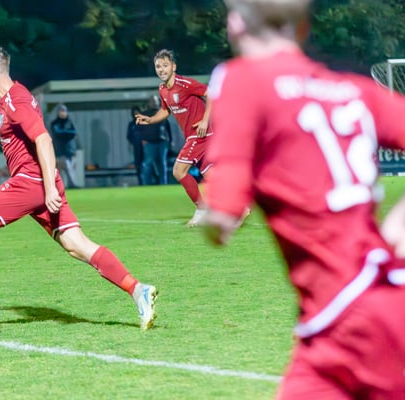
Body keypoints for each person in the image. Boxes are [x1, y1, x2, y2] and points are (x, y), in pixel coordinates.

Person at [195, 0, 405, 398]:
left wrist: (211, 216)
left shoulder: (241, 80)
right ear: (304, 28)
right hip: (348, 315)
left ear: (235, 24)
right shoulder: (352, 90)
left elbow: (222, 217)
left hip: (349, 314)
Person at [0, 46, 157, 331]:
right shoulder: (6, 101)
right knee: (77, 245)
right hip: (41, 183)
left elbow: (44, 140)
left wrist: (48, 189)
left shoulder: (17, 99)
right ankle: (138, 290)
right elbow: (7, 123)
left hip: (31, 181)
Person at [135, 49, 212, 225]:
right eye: (158, 66)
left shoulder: (185, 84)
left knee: (178, 171)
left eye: (165, 65)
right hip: (192, 136)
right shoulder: (163, 90)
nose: (161, 69)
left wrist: (205, 121)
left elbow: (211, 94)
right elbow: (165, 110)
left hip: (200, 134)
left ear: (173, 67)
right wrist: (150, 119)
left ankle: (202, 209)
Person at [140, 95, 172, 185]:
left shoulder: (163, 113)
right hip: (149, 143)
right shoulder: (145, 114)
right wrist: (143, 140)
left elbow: (167, 128)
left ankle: (164, 184)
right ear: (149, 103)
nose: (154, 103)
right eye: (152, 101)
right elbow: (140, 128)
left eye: (156, 101)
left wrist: (169, 140)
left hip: (162, 143)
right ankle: (146, 184)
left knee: (162, 164)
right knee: (148, 164)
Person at [50, 103, 80, 188]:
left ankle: (63, 186)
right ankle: (72, 185)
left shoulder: (70, 122)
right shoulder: (55, 123)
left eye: (64, 111)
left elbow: (74, 132)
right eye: (61, 111)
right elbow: (57, 133)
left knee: (69, 168)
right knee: (67, 167)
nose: (62, 113)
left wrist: (65, 133)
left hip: (70, 150)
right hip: (60, 150)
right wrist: (67, 133)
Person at [126, 105, 144, 185]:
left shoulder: (144, 122)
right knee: (138, 165)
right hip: (136, 148)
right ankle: (140, 182)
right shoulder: (131, 124)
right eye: (134, 113)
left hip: (145, 147)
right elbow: (129, 136)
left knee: (147, 164)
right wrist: (133, 142)